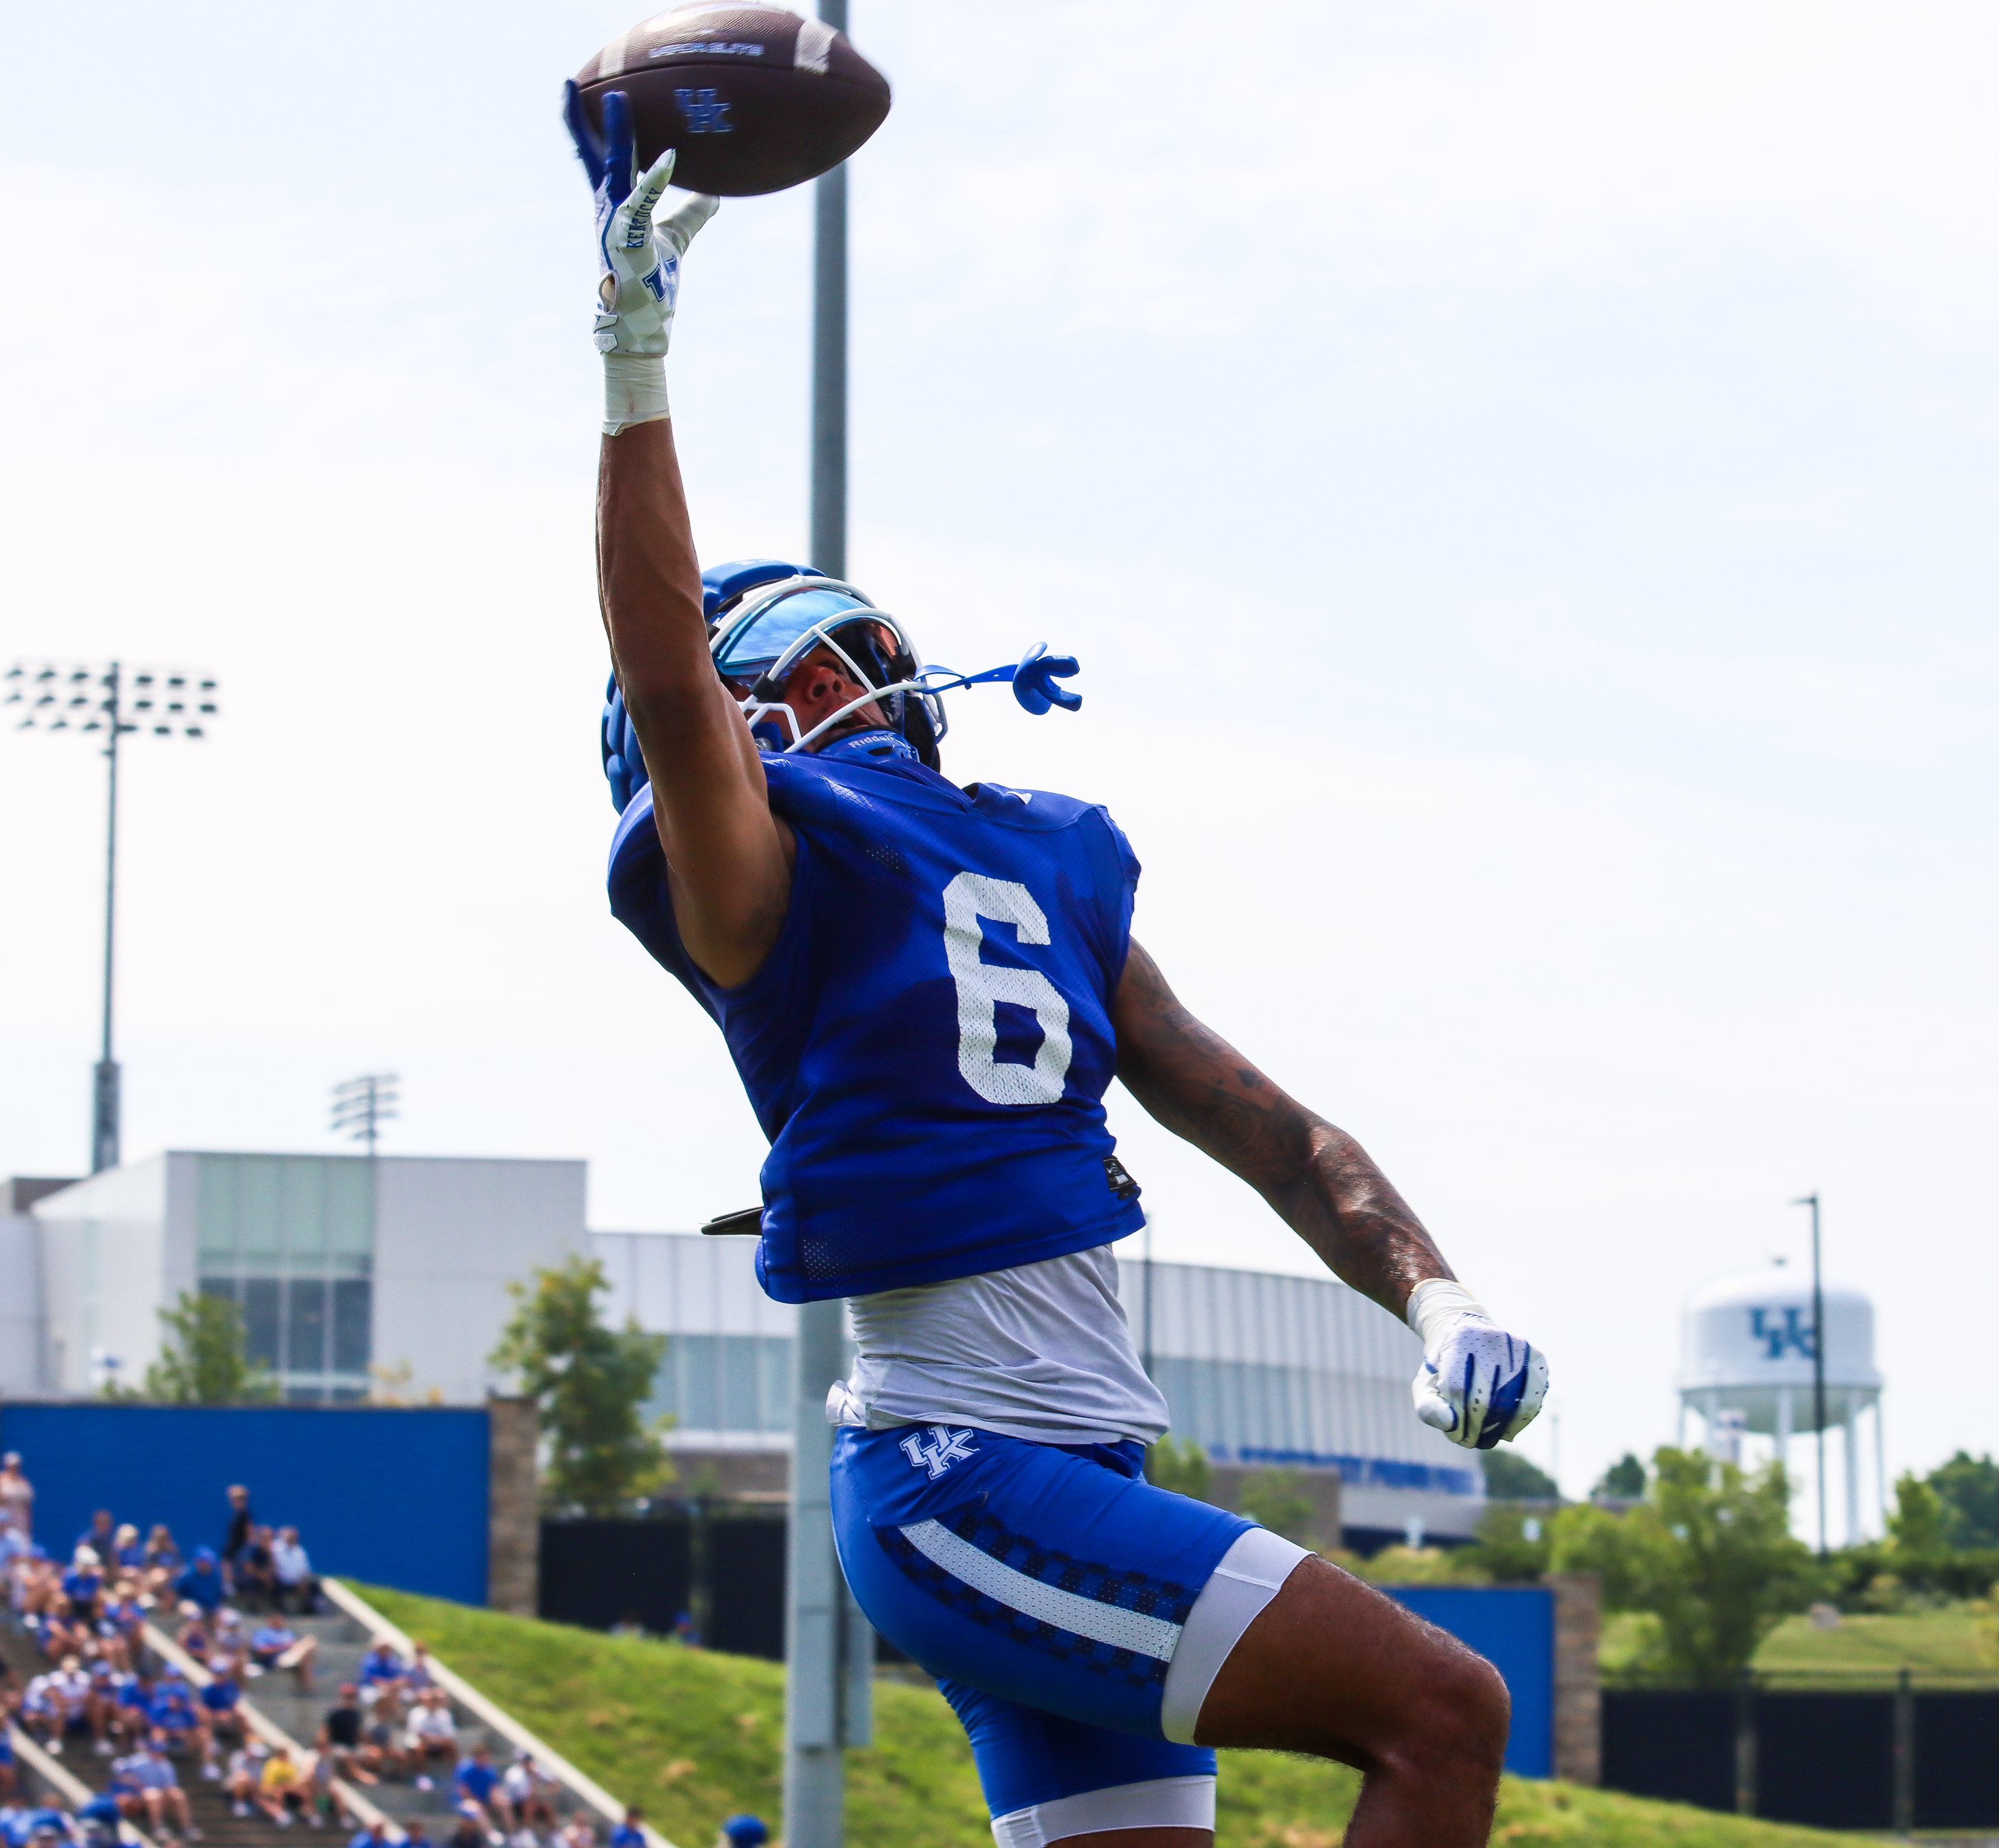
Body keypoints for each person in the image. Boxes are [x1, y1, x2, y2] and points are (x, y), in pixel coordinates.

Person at [569, 89, 1547, 1848]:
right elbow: (659, 676)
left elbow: (1271, 1128)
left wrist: (1437, 1290)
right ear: (756, 714)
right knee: (1441, 1709)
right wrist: (635, 352)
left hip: (1069, 1467)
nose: (877, 664)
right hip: (961, 1475)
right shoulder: (766, 886)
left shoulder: (1039, 856)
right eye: (823, 660)